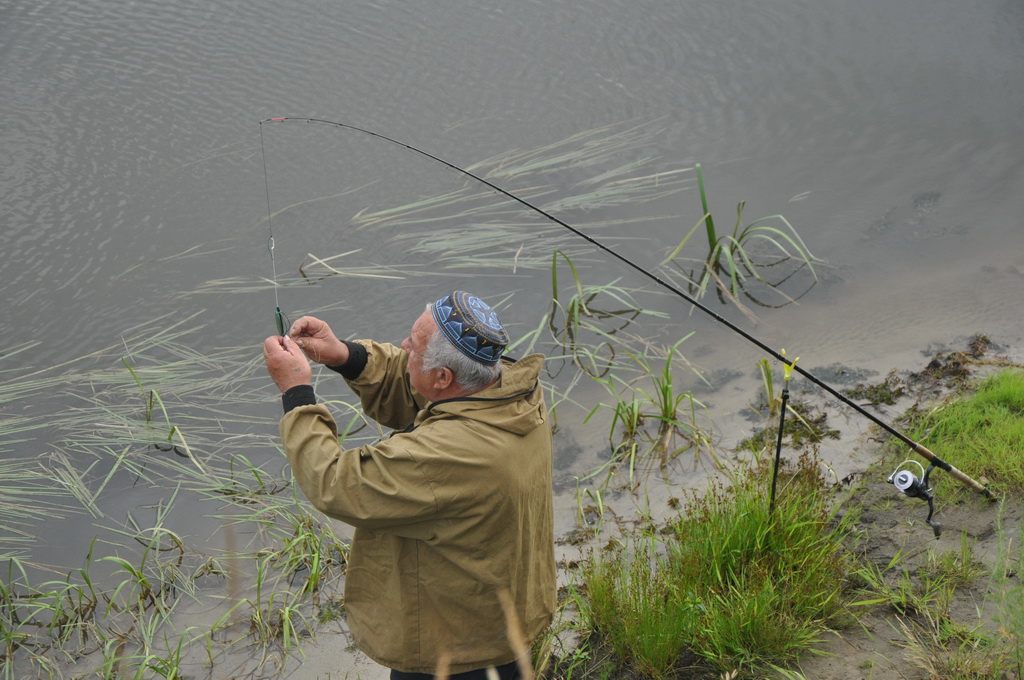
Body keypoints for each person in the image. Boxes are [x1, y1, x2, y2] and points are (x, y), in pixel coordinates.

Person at [262, 291, 556, 680]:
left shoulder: (445, 455)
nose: (403, 347)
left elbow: (335, 482)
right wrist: (344, 355)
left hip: (454, 648)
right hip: (504, 619)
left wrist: (297, 393)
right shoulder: (511, 391)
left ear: (443, 376)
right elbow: (420, 385)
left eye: (413, 346)